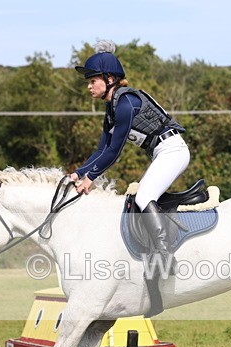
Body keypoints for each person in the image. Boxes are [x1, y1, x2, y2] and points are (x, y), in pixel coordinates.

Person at [70, 40, 189, 274]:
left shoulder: (126, 104)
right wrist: (77, 173)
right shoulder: (112, 107)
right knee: (138, 197)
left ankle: (166, 256)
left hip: (173, 150)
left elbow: (114, 152)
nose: (89, 86)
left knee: (144, 196)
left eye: (93, 80)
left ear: (110, 79)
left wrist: (91, 177)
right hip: (161, 153)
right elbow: (102, 150)